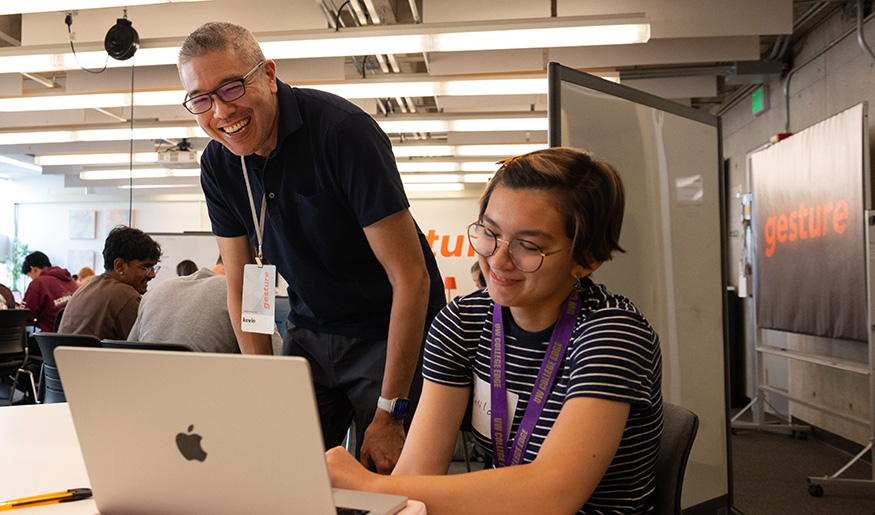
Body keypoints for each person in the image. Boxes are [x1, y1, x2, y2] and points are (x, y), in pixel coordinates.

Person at [327, 148, 664, 515]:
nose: (498, 261)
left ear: (586, 259)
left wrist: (373, 486)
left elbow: (554, 495)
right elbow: (417, 477)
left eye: (529, 246)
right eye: (490, 233)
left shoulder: (612, 335)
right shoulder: (463, 322)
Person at [177, 21, 445, 473]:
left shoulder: (343, 133)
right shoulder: (219, 164)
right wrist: (266, 389)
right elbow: (244, 285)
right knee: (285, 463)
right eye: (201, 99)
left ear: (268, 75)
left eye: (231, 87)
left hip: (385, 332)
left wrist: (391, 411)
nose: (221, 112)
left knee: (389, 473)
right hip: (309, 329)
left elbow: (410, 277)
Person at [128, 266, 283, 354]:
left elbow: (128, 352)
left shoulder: (155, 292)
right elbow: (277, 362)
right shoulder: (252, 290)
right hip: (208, 399)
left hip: (144, 396)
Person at [59, 227, 162, 341]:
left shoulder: (84, 289)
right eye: (146, 267)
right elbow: (143, 349)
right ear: (119, 266)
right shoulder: (126, 296)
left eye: (154, 268)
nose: (152, 275)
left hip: (65, 358)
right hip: (96, 359)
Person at [19, 251, 78, 332]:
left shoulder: (38, 283)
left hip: (51, 338)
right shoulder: (69, 279)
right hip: (75, 335)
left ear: (33, 269)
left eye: (30, 276)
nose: (32, 279)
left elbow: (25, 316)